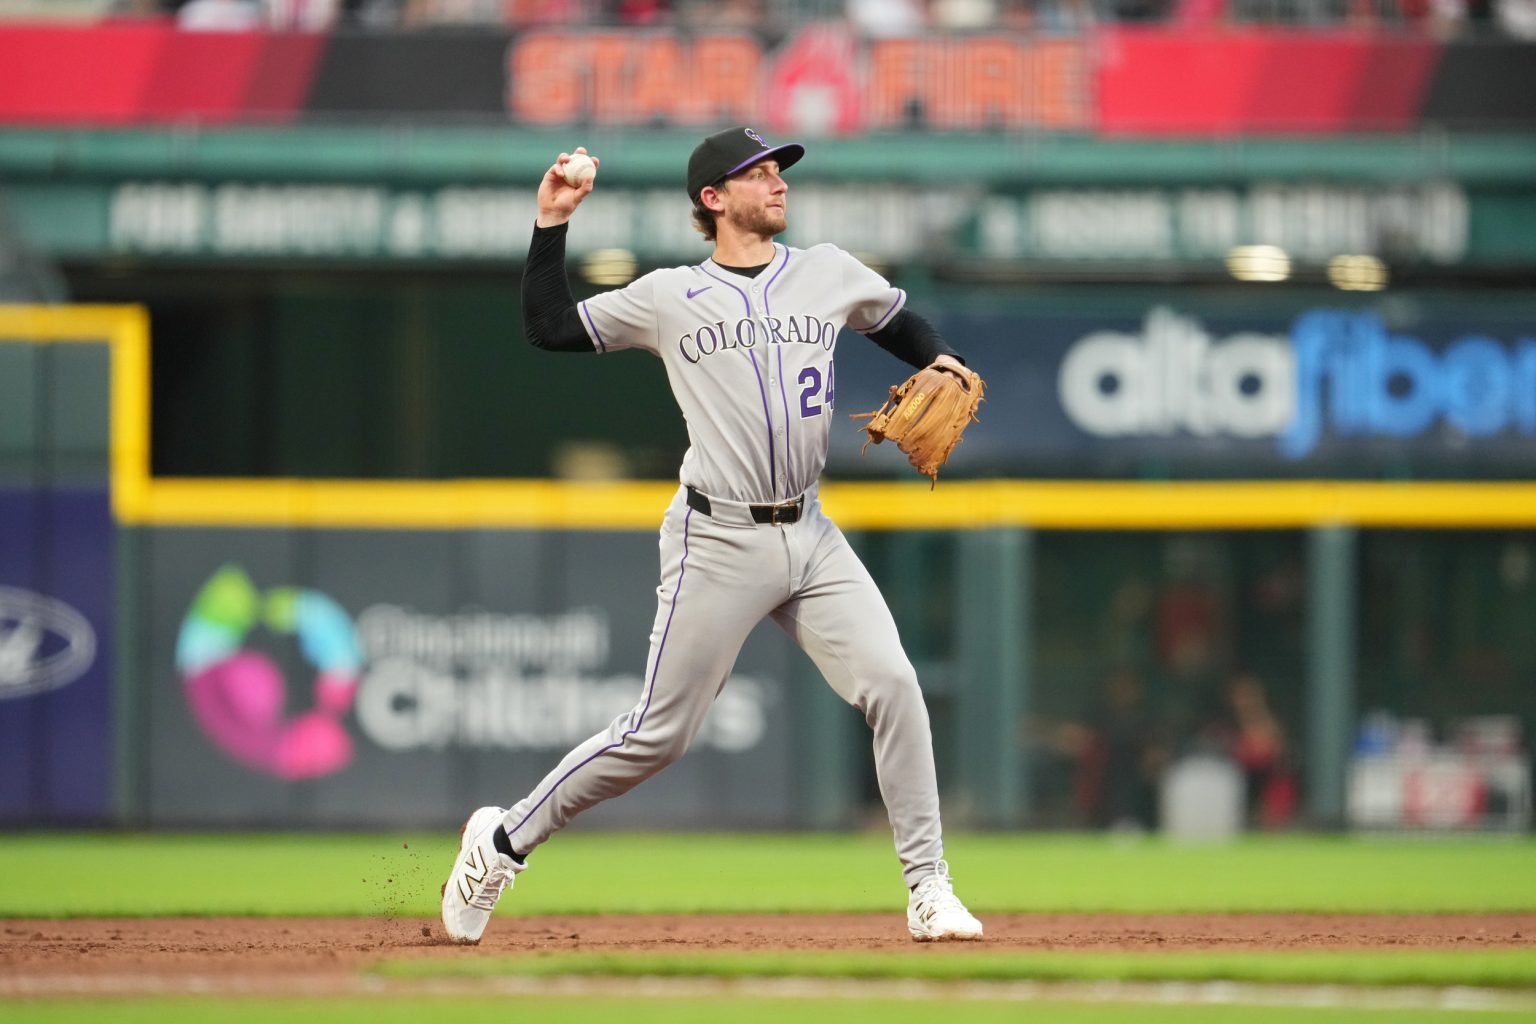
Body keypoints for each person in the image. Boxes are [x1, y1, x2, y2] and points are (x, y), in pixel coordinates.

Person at [439, 126, 984, 945]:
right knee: (658, 736)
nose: (778, 183)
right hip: (718, 540)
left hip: (812, 533)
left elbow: (900, 323)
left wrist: (942, 361)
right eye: (759, 173)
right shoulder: (667, 295)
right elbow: (548, 326)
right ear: (713, 199)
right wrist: (552, 222)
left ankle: (930, 888)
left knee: (894, 687)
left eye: (779, 171)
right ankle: (502, 842)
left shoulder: (827, 271)